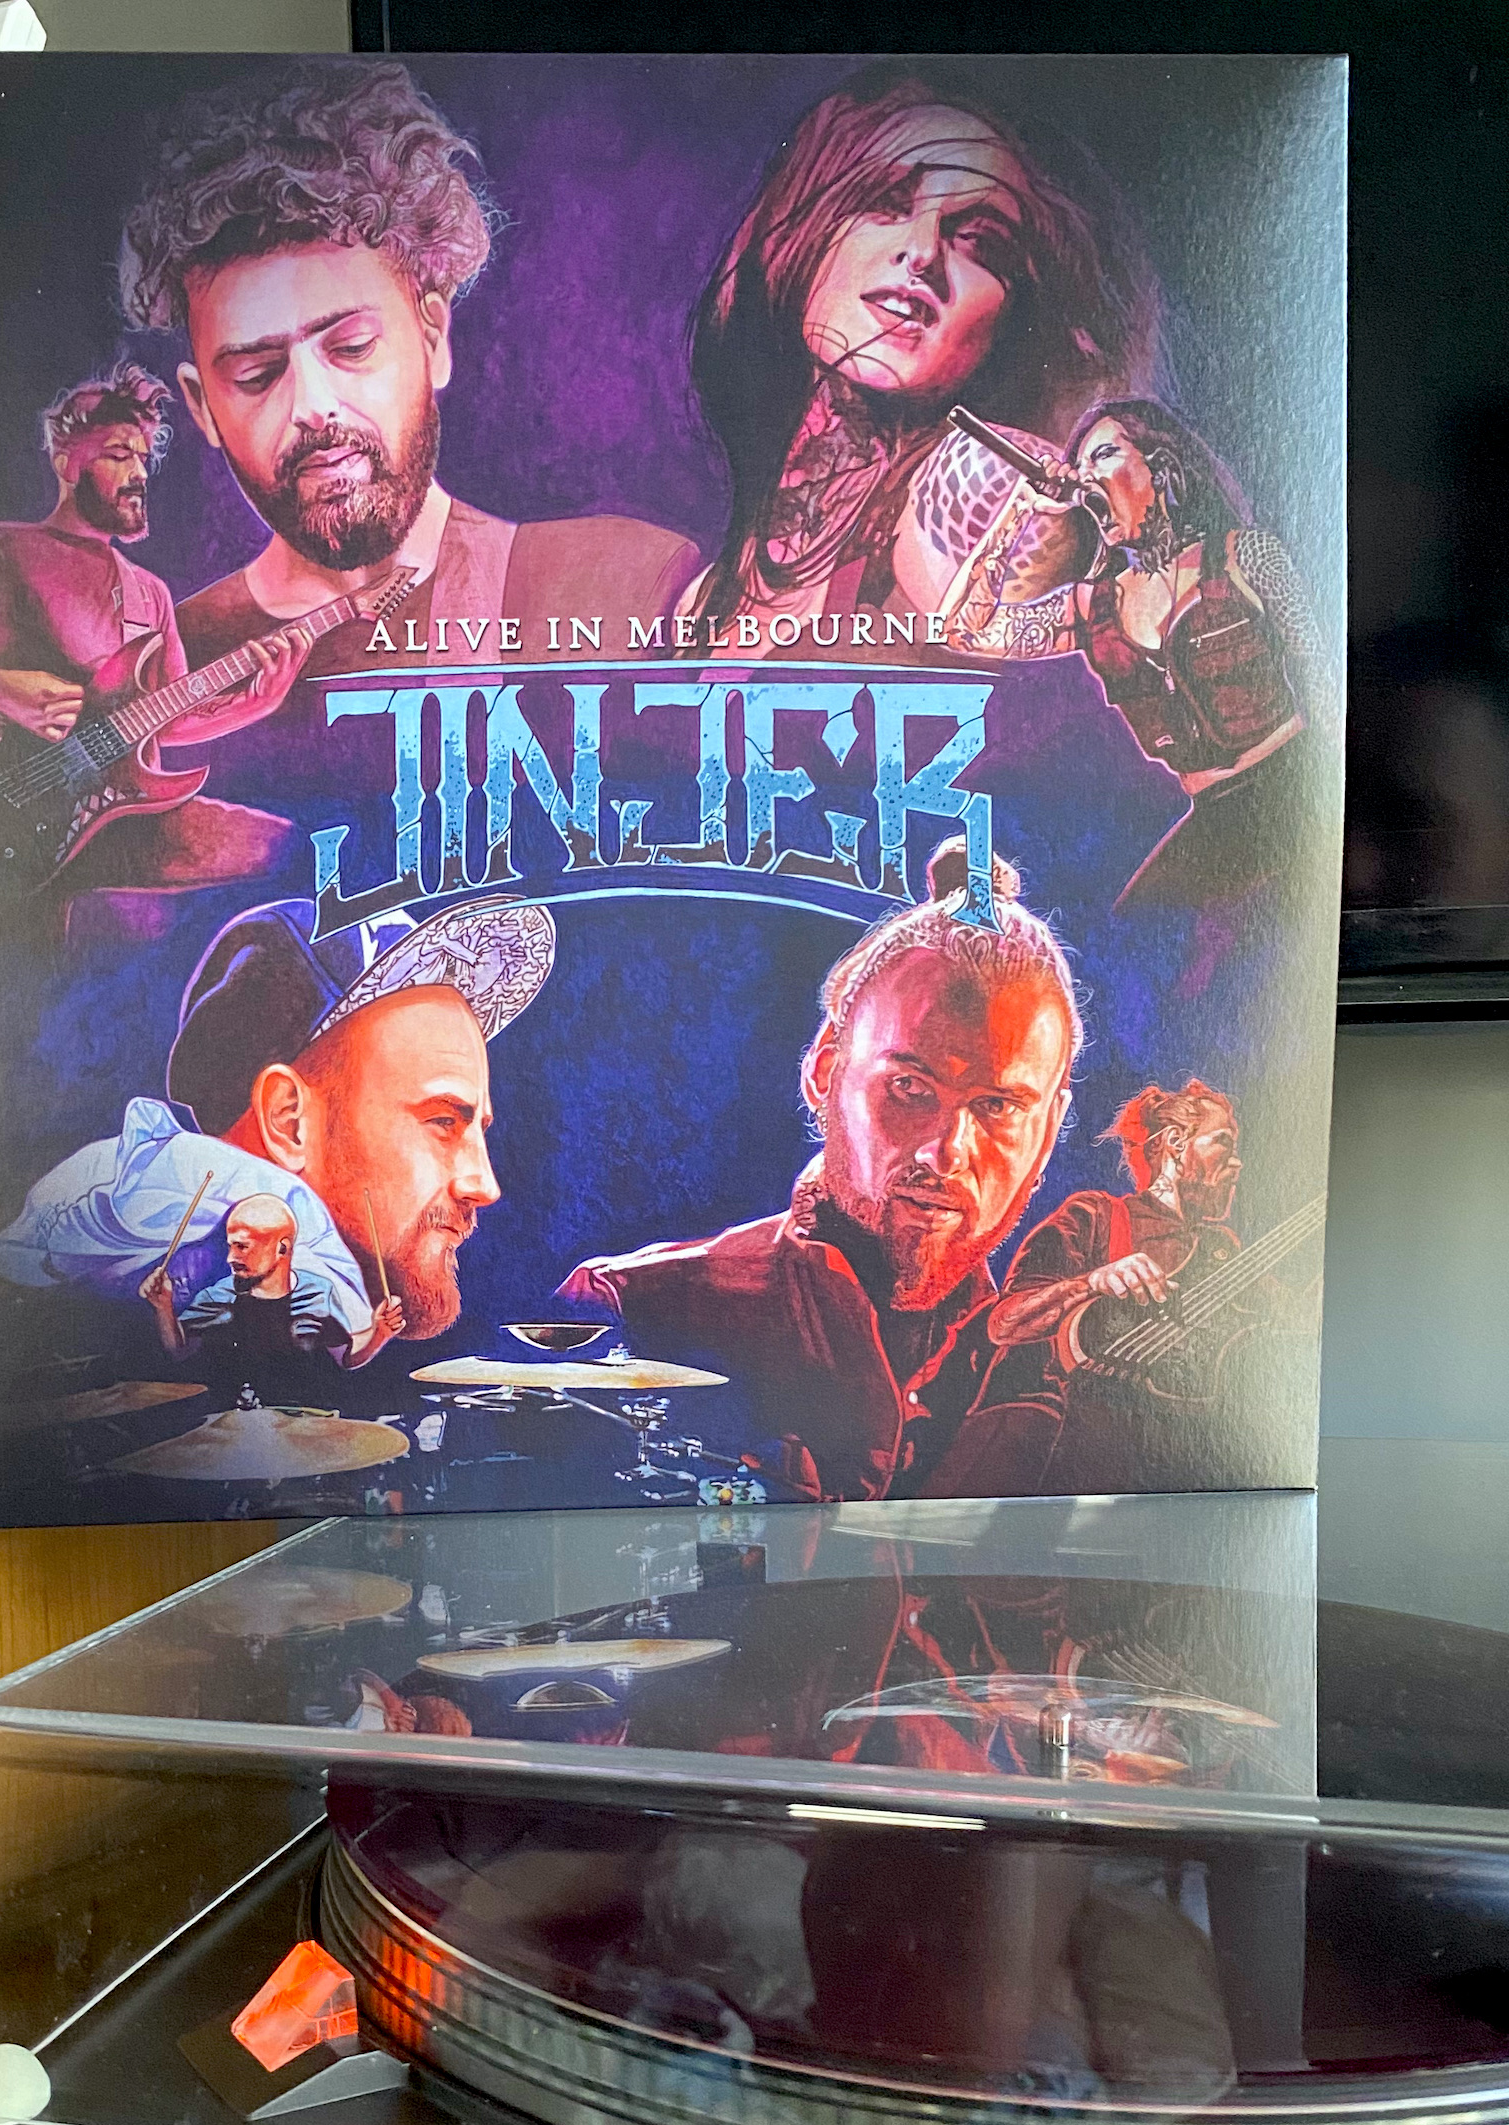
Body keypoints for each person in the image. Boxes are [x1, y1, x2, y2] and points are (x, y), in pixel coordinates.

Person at [116, 62, 700, 679]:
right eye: (258, 374)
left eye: (352, 347)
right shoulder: (157, 671)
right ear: (202, 405)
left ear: (432, 336)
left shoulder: (625, 587)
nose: (312, 406)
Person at [562, 839, 1080, 1500]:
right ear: (825, 1070)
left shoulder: (1062, 1372)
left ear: (1050, 1128)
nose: (946, 1152)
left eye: (998, 1106)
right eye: (910, 1088)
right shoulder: (632, 1311)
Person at [688, 64, 1160, 639]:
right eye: (885, 202)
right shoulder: (675, 581)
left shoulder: (977, 517)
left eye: (979, 242)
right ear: (803, 229)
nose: (922, 252)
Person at [0, 895, 555, 1345]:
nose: (484, 1185)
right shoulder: (116, 1266)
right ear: (289, 1121)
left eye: (477, 1130)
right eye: (443, 1121)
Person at [0, 361, 312, 923]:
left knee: (289, 848)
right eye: (119, 455)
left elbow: (165, 720)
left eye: (143, 458)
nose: (139, 472)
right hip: (12, 814)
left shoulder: (150, 593)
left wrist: (254, 704)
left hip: (127, 817)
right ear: (67, 462)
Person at [945, 399, 1337, 913]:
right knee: (1135, 925)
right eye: (1079, 467)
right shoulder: (1098, 607)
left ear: (1162, 466)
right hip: (1213, 815)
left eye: (1103, 455)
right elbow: (962, 631)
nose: (1085, 478)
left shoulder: (1246, 556)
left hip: (1291, 792)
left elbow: (1326, 685)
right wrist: (1023, 507)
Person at [923, 1078, 1291, 1497]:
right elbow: (1005, 1322)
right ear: (1175, 1143)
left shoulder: (1220, 1249)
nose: (1237, 1163)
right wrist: (1091, 1281)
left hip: (1151, 1469)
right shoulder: (1094, 1215)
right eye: (1223, 1142)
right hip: (1042, 1463)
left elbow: (1291, 1317)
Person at [138, 1192, 404, 1369]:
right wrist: (164, 1308)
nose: (231, 1257)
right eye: (231, 1246)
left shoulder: (318, 1294)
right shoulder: (217, 1297)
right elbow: (178, 1350)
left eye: (242, 1247)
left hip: (304, 1428)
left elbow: (344, 1357)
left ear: (281, 1249)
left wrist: (379, 1334)